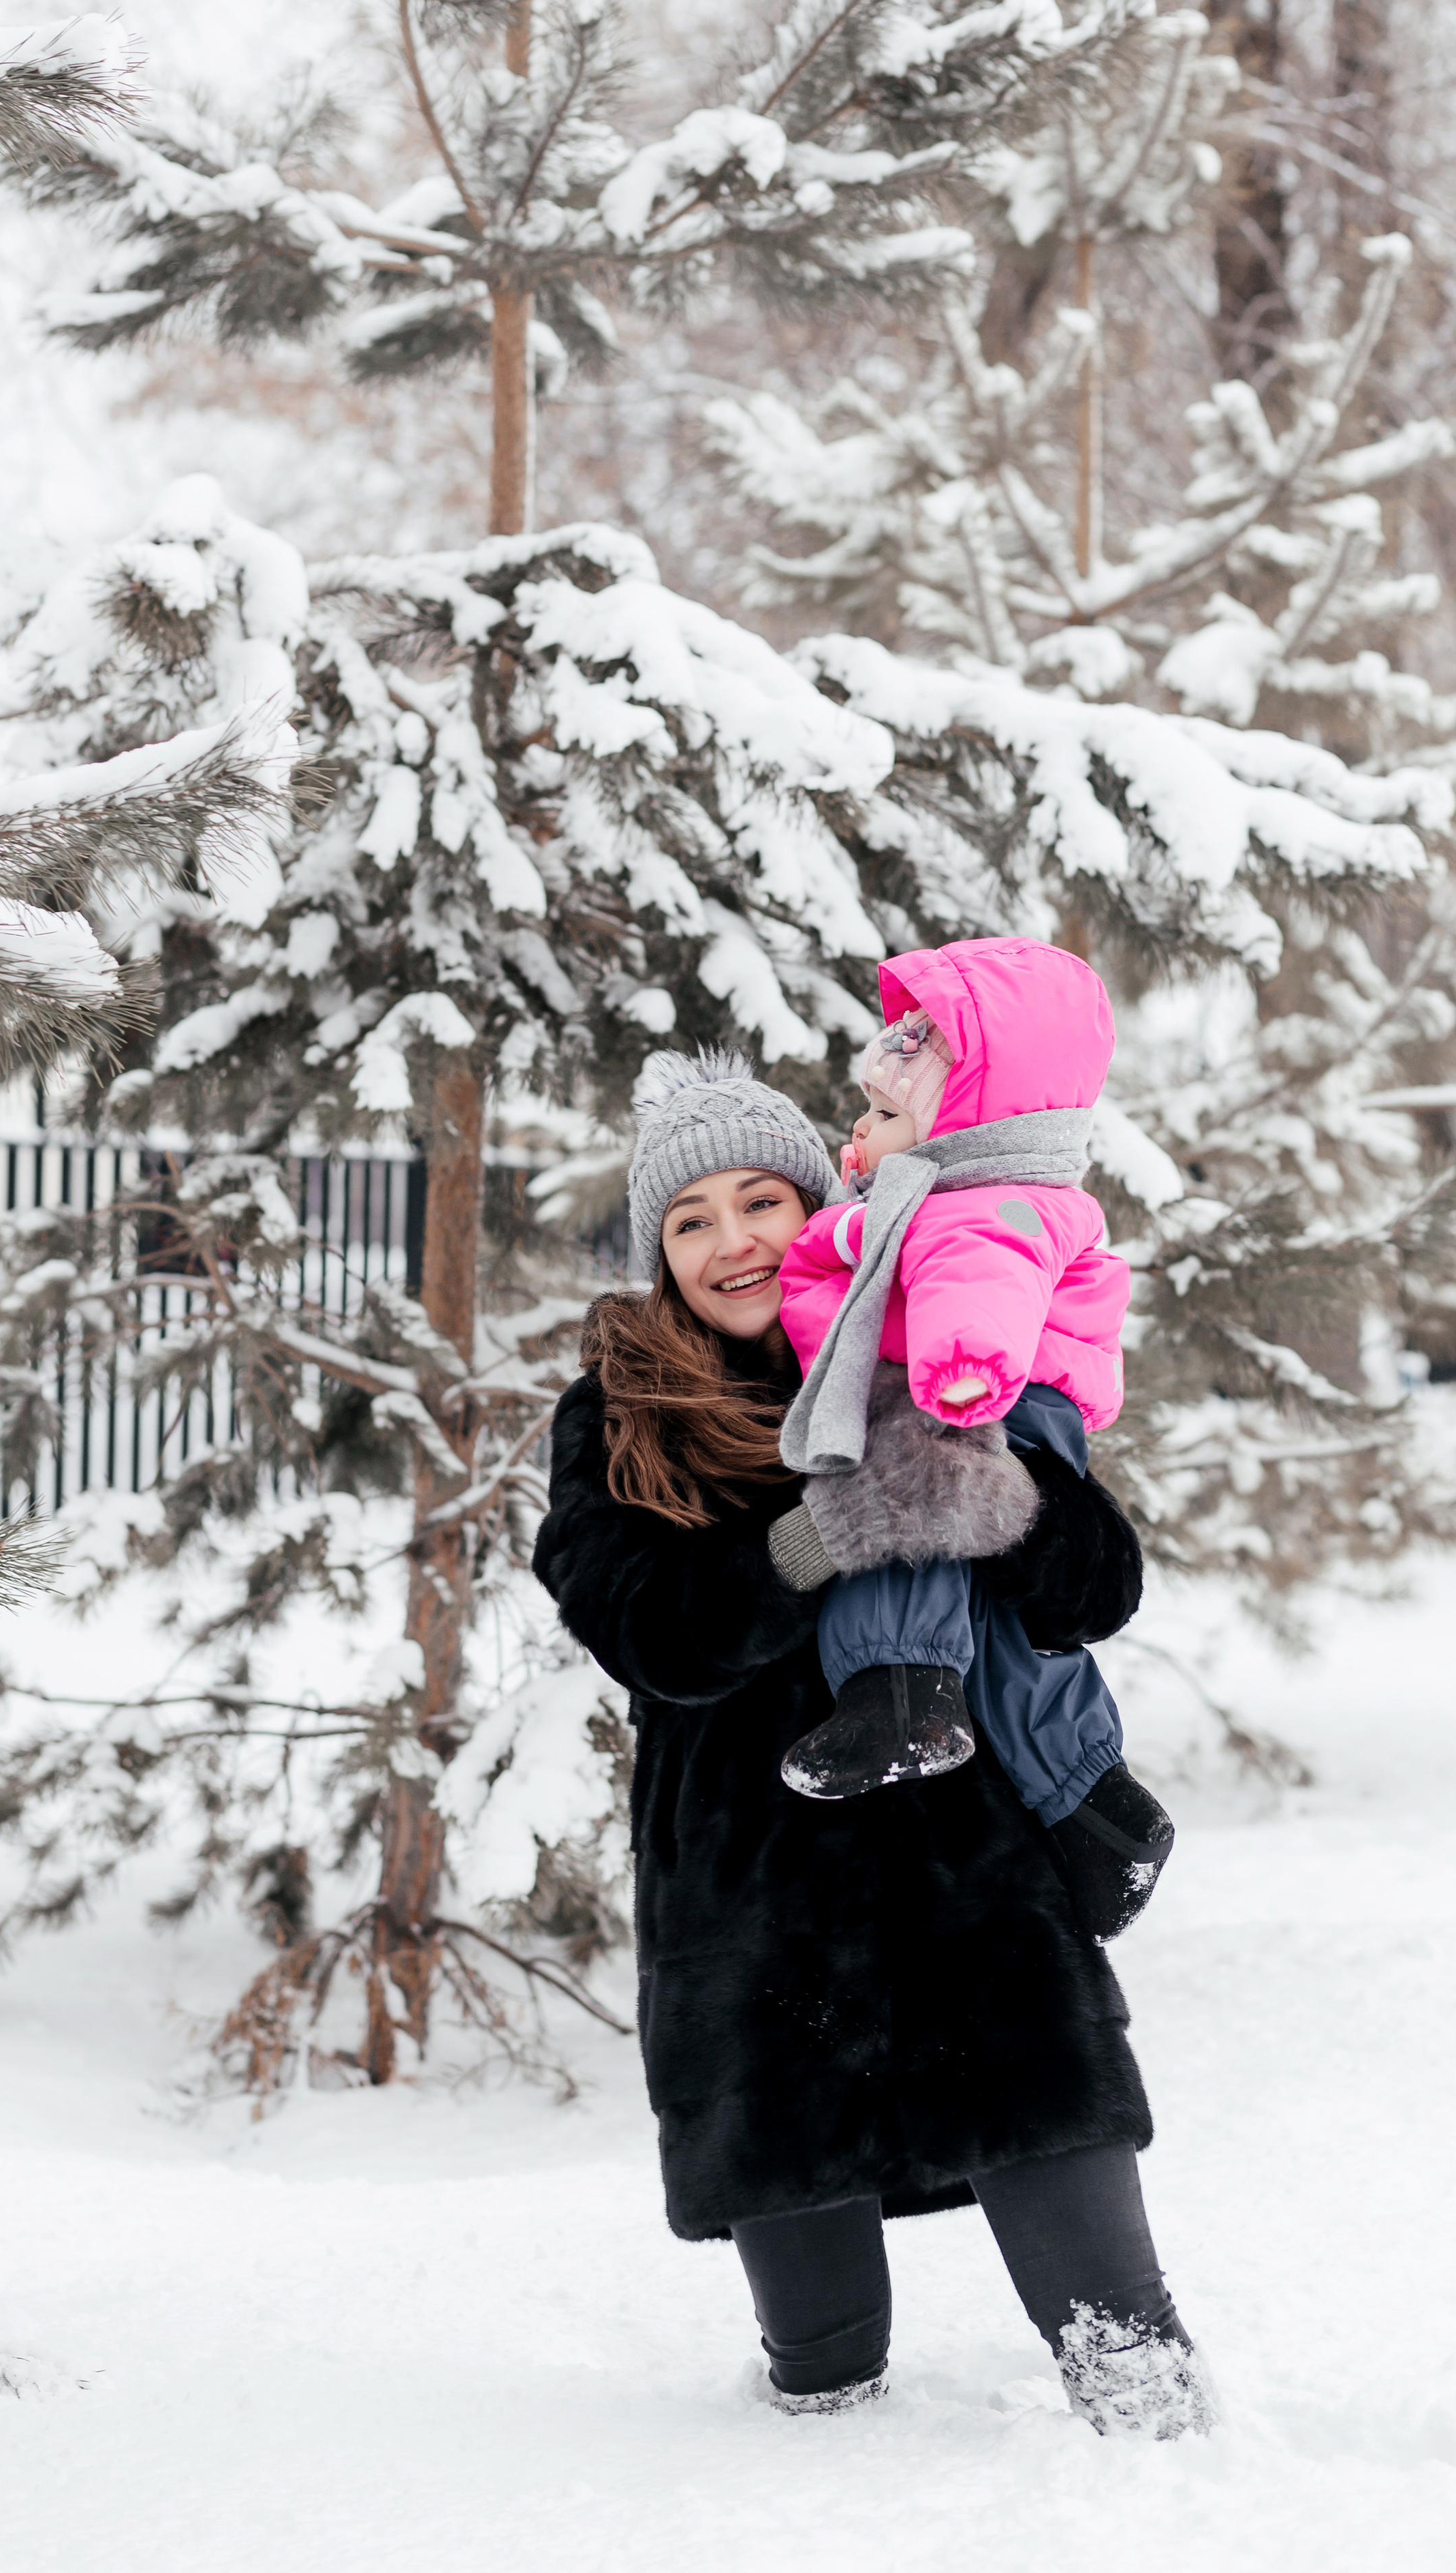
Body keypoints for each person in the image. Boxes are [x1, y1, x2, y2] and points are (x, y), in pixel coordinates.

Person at [531, 1046, 1213, 2435]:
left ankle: (1166, 2469)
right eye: (688, 1219)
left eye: (756, 1202)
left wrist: (999, 1505)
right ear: (657, 1251)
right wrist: (818, 1539)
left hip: (958, 1858)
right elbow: (643, 1630)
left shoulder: (920, 1331)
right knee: (821, 2366)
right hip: (743, 1874)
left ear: (814, 1202)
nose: (729, 1241)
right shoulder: (620, 1405)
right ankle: (817, 2462)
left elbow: (1096, 1589)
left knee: (1102, 2288)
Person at [773, 937, 1174, 1938]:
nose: (856, 1135)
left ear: (963, 1122)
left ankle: (902, 1688)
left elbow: (977, 1284)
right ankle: (1088, 1799)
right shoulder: (940, 1200)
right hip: (991, 1387)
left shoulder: (971, 1205)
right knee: (1000, 1634)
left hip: (975, 1391)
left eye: (882, 1115)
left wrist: (955, 1377)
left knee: (915, 1507)